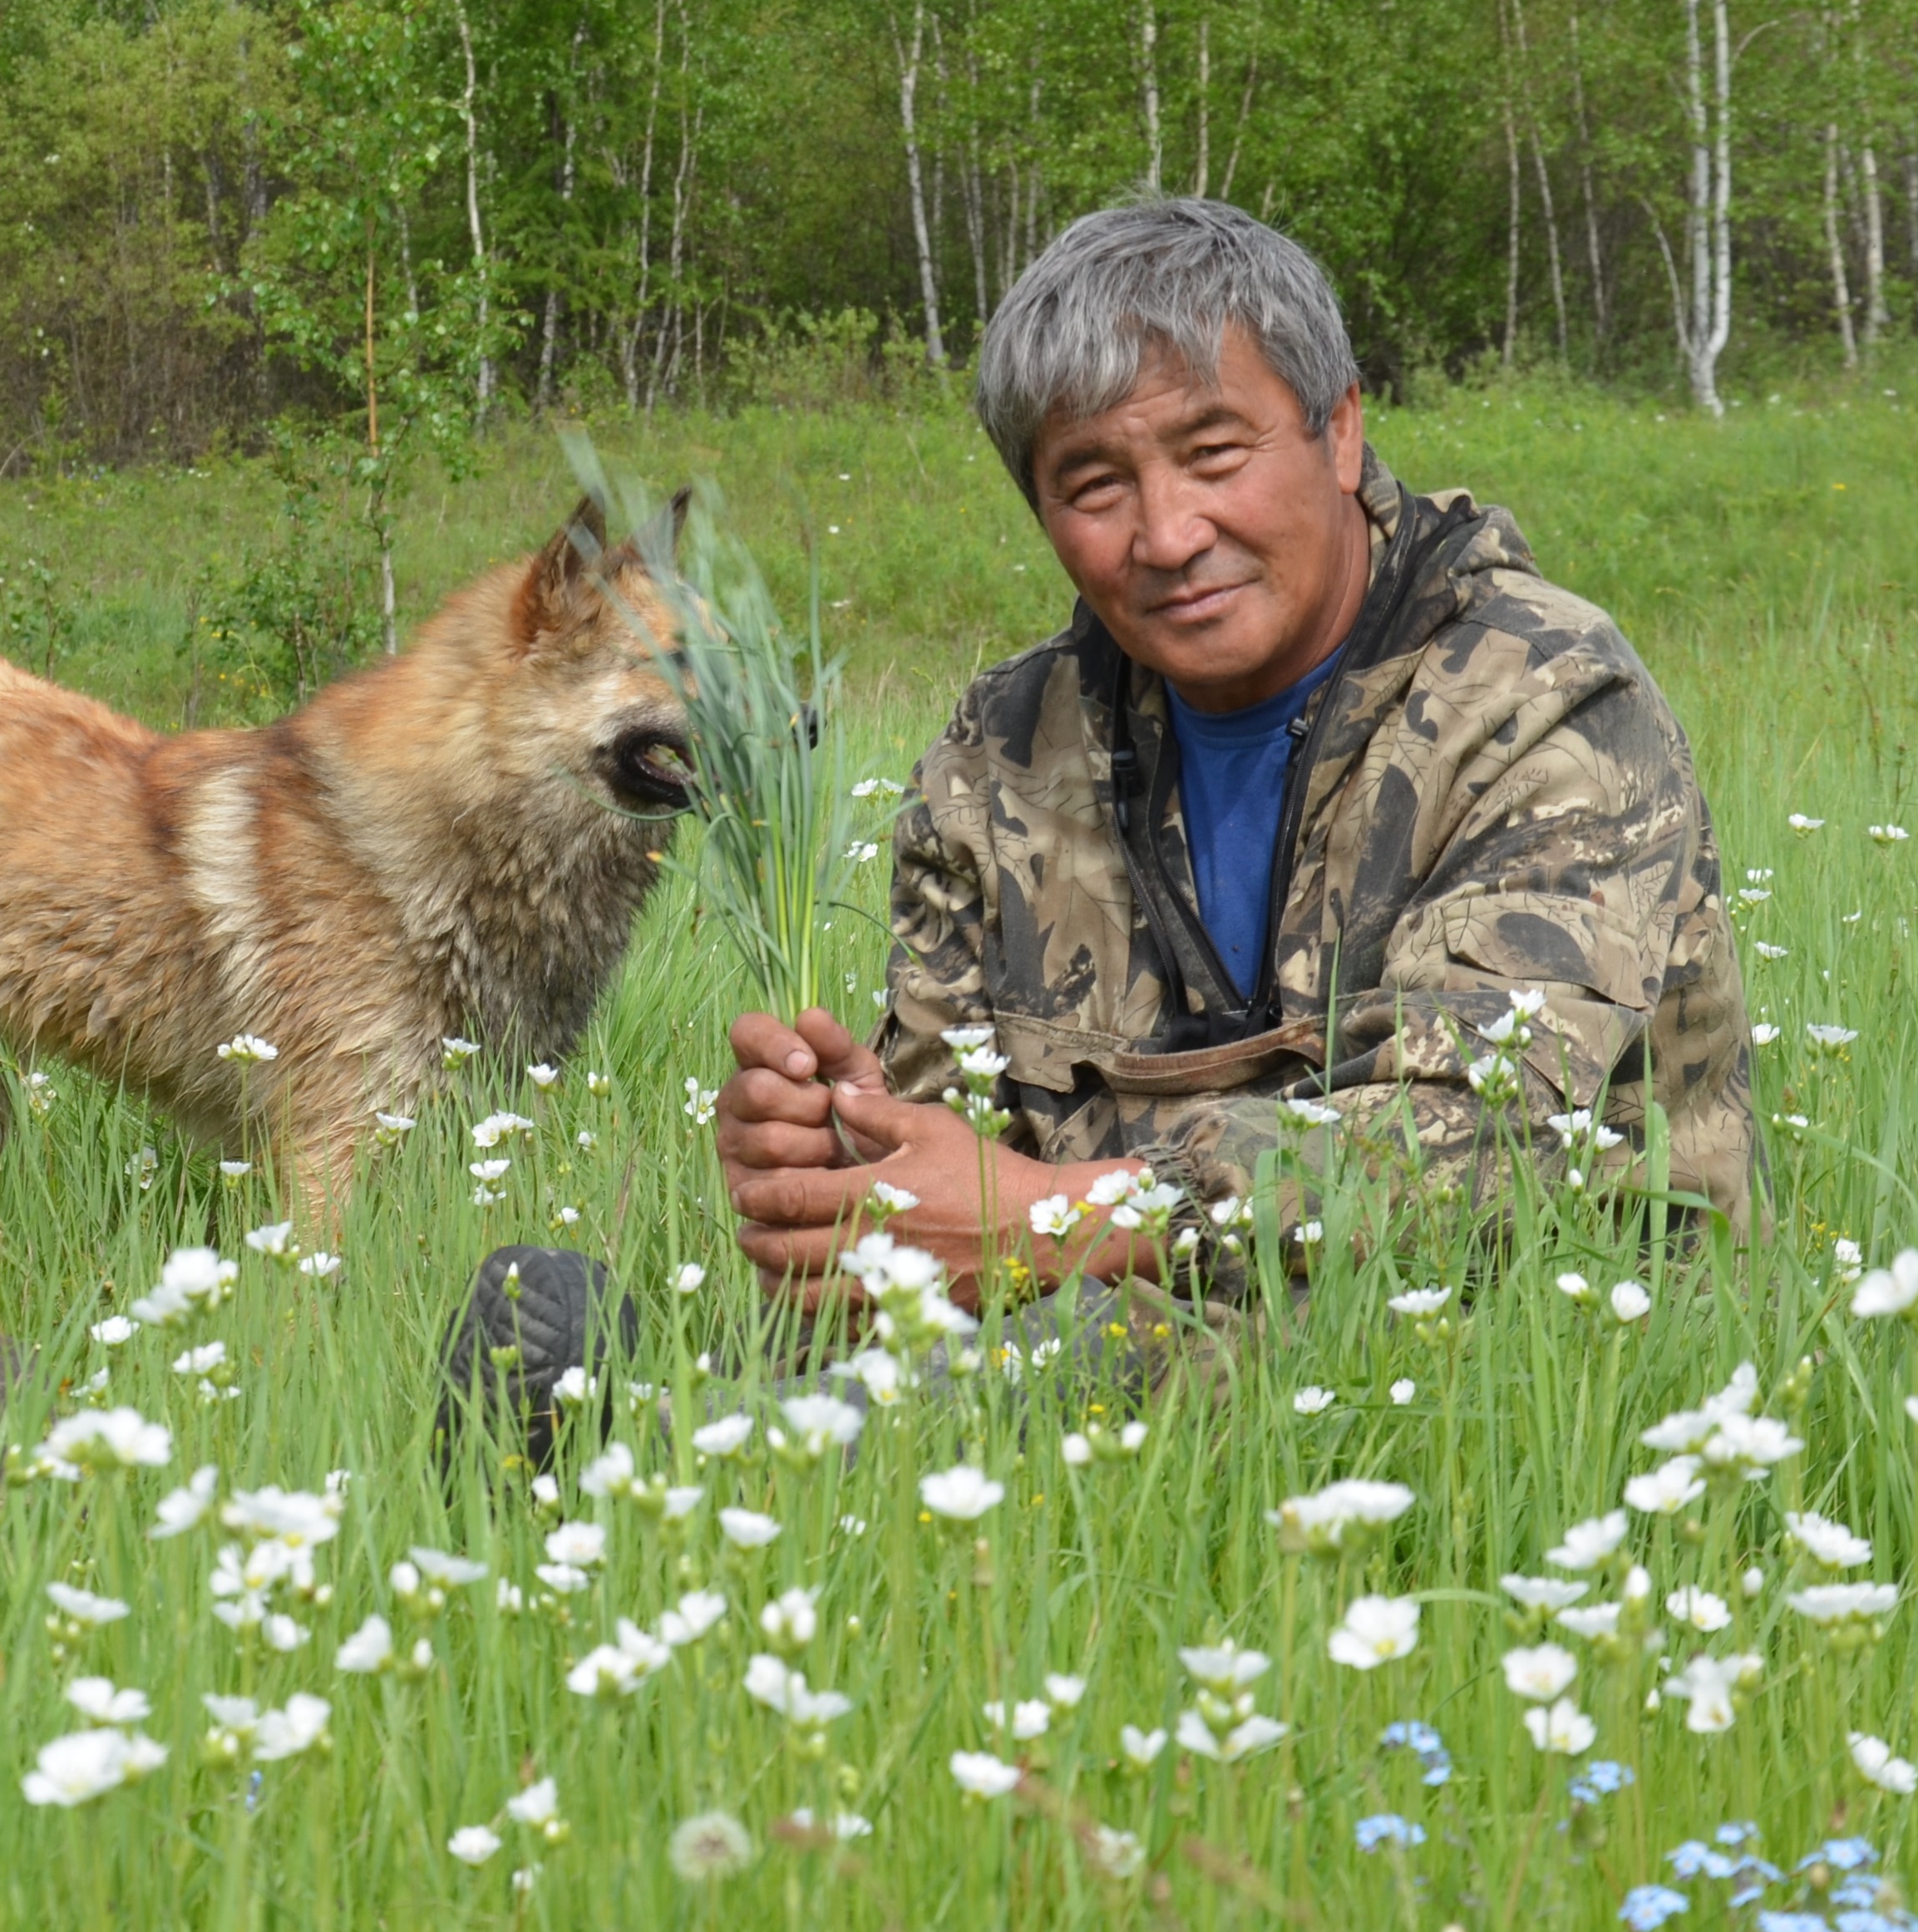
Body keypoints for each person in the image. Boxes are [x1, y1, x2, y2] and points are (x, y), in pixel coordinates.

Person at [708, 197, 1753, 1353]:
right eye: (1094, 485)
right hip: (1102, 1354)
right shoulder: (1000, 757)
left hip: (1510, 1354)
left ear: (1340, 430)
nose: (1167, 535)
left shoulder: (1544, 700)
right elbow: (958, 1190)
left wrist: (1064, 1221)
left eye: (1213, 455)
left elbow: (1477, 1132)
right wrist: (848, 1153)